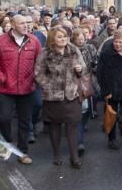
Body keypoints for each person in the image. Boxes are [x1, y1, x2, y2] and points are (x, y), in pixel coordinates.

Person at [0, 13, 40, 164]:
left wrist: (34, 79)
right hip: (5, 88)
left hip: (27, 88)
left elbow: (40, 63)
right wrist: (3, 79)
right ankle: (7, 142)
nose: (26, 26)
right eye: (22, 23)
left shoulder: (33, 41)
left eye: (27, 23)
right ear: (13, 25)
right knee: (4, 118)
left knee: (24, 121)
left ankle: (23, 152)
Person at [35, 27, 87, 169]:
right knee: (54, 125)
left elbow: (83, 68)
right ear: (52, 39)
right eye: (59, 37)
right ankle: (57, 155)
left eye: (65, 36)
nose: (63, 39)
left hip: (72, 94)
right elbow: (38, 73)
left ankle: (74, 157)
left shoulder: (74, 50)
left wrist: (79, 70)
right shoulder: (45, 53)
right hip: (53, 96)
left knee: (72, 125)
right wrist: (48, 86)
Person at [71, 27, 99, 157]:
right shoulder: (71, 50)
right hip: (75, 82)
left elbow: (96, 60)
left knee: (87, 107)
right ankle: (79, 141)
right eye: (79, 39)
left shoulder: (90, 48)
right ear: (74, 39)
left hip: (88, 79)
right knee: (81, 109)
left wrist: (95, 66)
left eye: (83, 38)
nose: (81, 41)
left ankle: (85, 122)